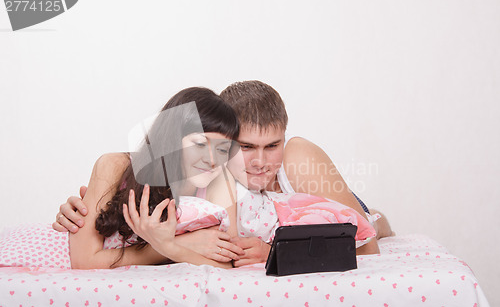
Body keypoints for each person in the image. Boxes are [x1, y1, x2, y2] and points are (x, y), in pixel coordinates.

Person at [55, 81, 393, 266]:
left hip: (314, 206)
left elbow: (364, 245)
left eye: (272, 145)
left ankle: (379, 213)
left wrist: (276, 250)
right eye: (245, 148)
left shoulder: (297, 158)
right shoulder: (213, 171)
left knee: (375, 220)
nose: (261, 162)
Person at [68, 87, 244, 269]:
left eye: (222, 149)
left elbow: (227, 264)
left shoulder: (220, 181)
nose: (212, 160)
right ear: (172, 140)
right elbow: (83, 260)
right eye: (199, 144)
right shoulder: (114, 165)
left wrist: (171, 247)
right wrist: (173, 245)